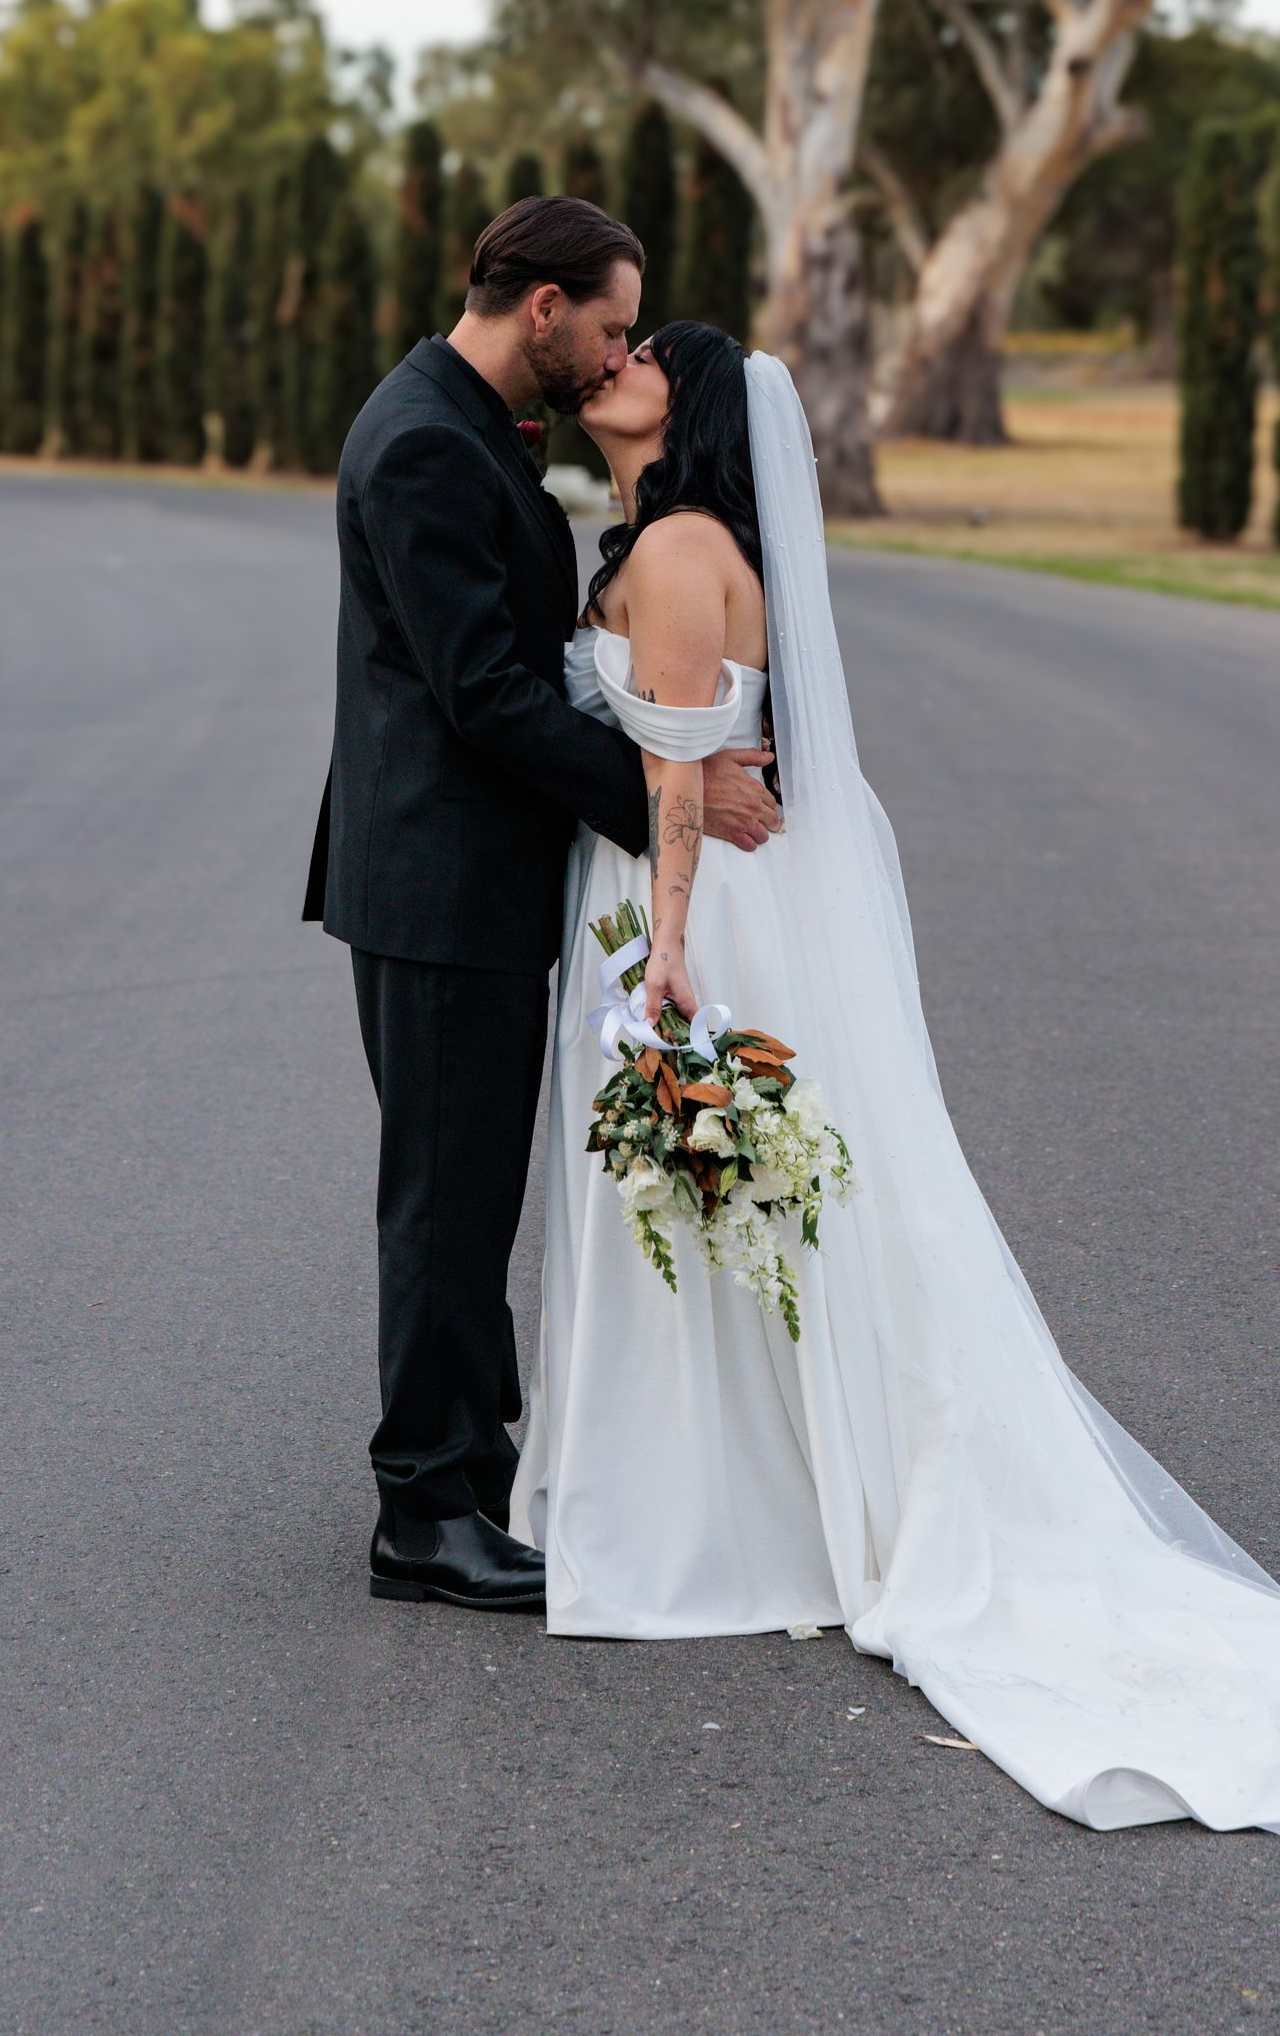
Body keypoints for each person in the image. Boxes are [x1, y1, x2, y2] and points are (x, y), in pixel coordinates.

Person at [514, 321, 1280, 1861]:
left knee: (727, 1212)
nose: (618, 360)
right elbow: (715, 752)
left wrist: (671, 950)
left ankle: (700, 1521)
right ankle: (755, 1500)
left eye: (649, 352)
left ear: (690, 405)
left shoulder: (679, 549)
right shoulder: (684, 544)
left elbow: (671, 782)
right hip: (727, 912)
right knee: (770, 1222)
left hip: (692, 924)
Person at [304, 199, 778, 1612]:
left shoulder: (462, 423)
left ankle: (471, 1462)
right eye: (615, 324)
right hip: (439, 883)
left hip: (467, 877)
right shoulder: (424, 443)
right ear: (544, 306)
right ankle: (424, 1510)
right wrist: (668, 794)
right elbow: (487, 696)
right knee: (447, 1201)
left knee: (469, 1189)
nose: (619, 351)